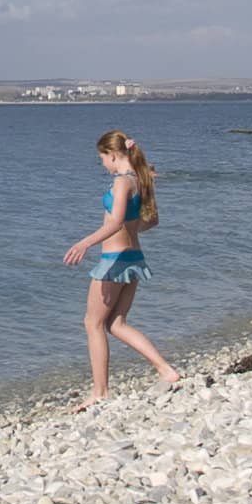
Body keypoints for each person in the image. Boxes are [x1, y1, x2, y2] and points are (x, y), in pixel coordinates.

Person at [63, 130, 181, 407]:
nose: (102, 164)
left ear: (112, 155)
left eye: (102, 158)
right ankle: (165, 369)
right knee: (116, 323)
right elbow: (152, 221)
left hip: (114, 261)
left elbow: (114, 222)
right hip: (134, 258)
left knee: (92, 324)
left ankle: (100, 392)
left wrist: (84, 243)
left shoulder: (121, 183)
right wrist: (129, 229)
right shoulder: (140, 179)